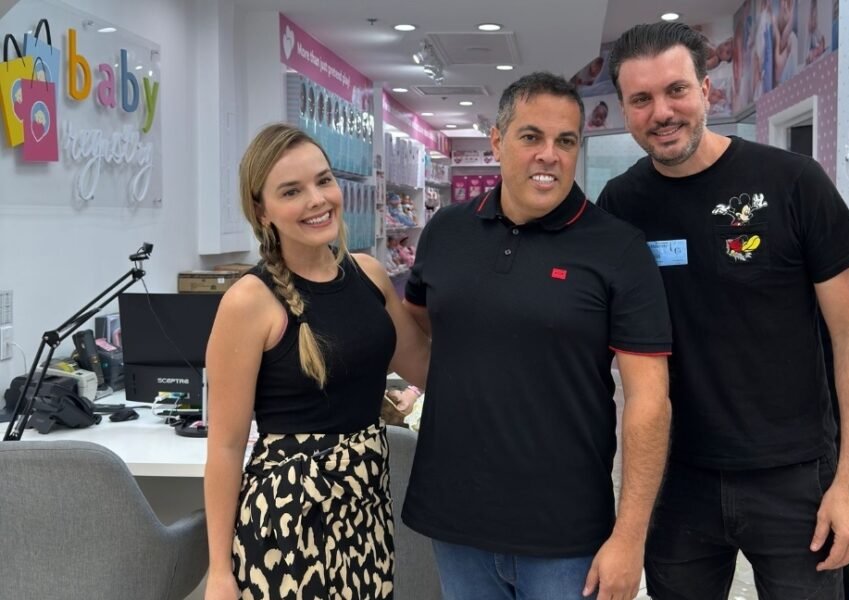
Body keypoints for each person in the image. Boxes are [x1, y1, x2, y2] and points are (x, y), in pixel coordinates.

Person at [599, 22, 849, 600]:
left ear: (707, 90)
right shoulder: (621, 205)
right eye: (641, 99)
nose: (662, 112)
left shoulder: (793, 182)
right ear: (625, 111)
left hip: (795, 476)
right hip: (677, 479)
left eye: (676, 90)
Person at [402, 72, 672, 600]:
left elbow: (649, 402)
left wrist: (630, 536)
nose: (549, 154)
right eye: (531, 136)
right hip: (455, 521)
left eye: (565, 141)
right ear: (497, 141)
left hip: (565, 535)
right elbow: (420, 324)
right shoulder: (445, 231)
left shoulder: (618, 248)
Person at [203, 123, 429, 600]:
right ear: (262, 210)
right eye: (292, 191)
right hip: (287, 522)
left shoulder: (369, 275)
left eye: (323, 181)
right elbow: (225, 446)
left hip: (365, 510)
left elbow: (423, 363)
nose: (317, 200)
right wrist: (219, 572)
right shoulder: (249, 301)